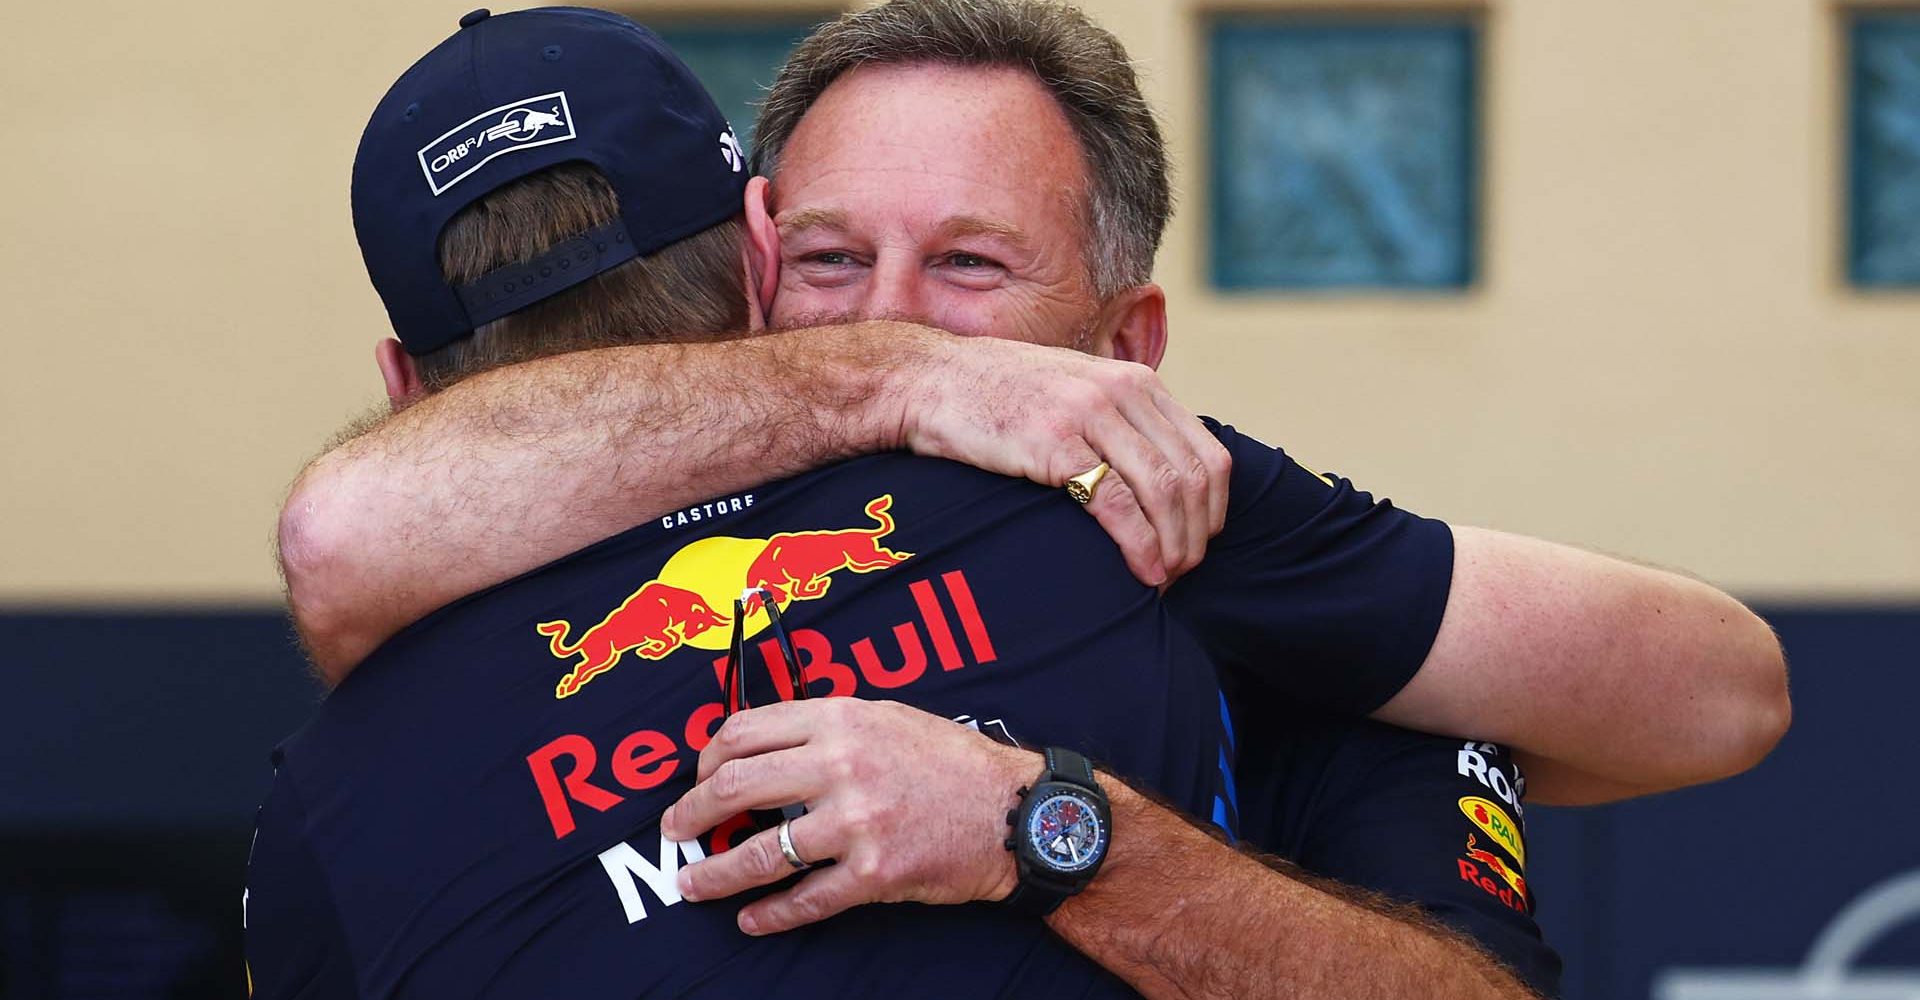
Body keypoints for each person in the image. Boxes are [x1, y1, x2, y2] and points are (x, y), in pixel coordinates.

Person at [252, 3, 1787, 997]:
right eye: (840, 265)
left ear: (1127, 350)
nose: (899, 326)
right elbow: (341, 537)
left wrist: (1044, 825)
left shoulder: (1149, 516)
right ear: (765, 267)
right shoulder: (359, 755)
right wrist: (896, 381)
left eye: (971, 267)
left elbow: (1720, 698)